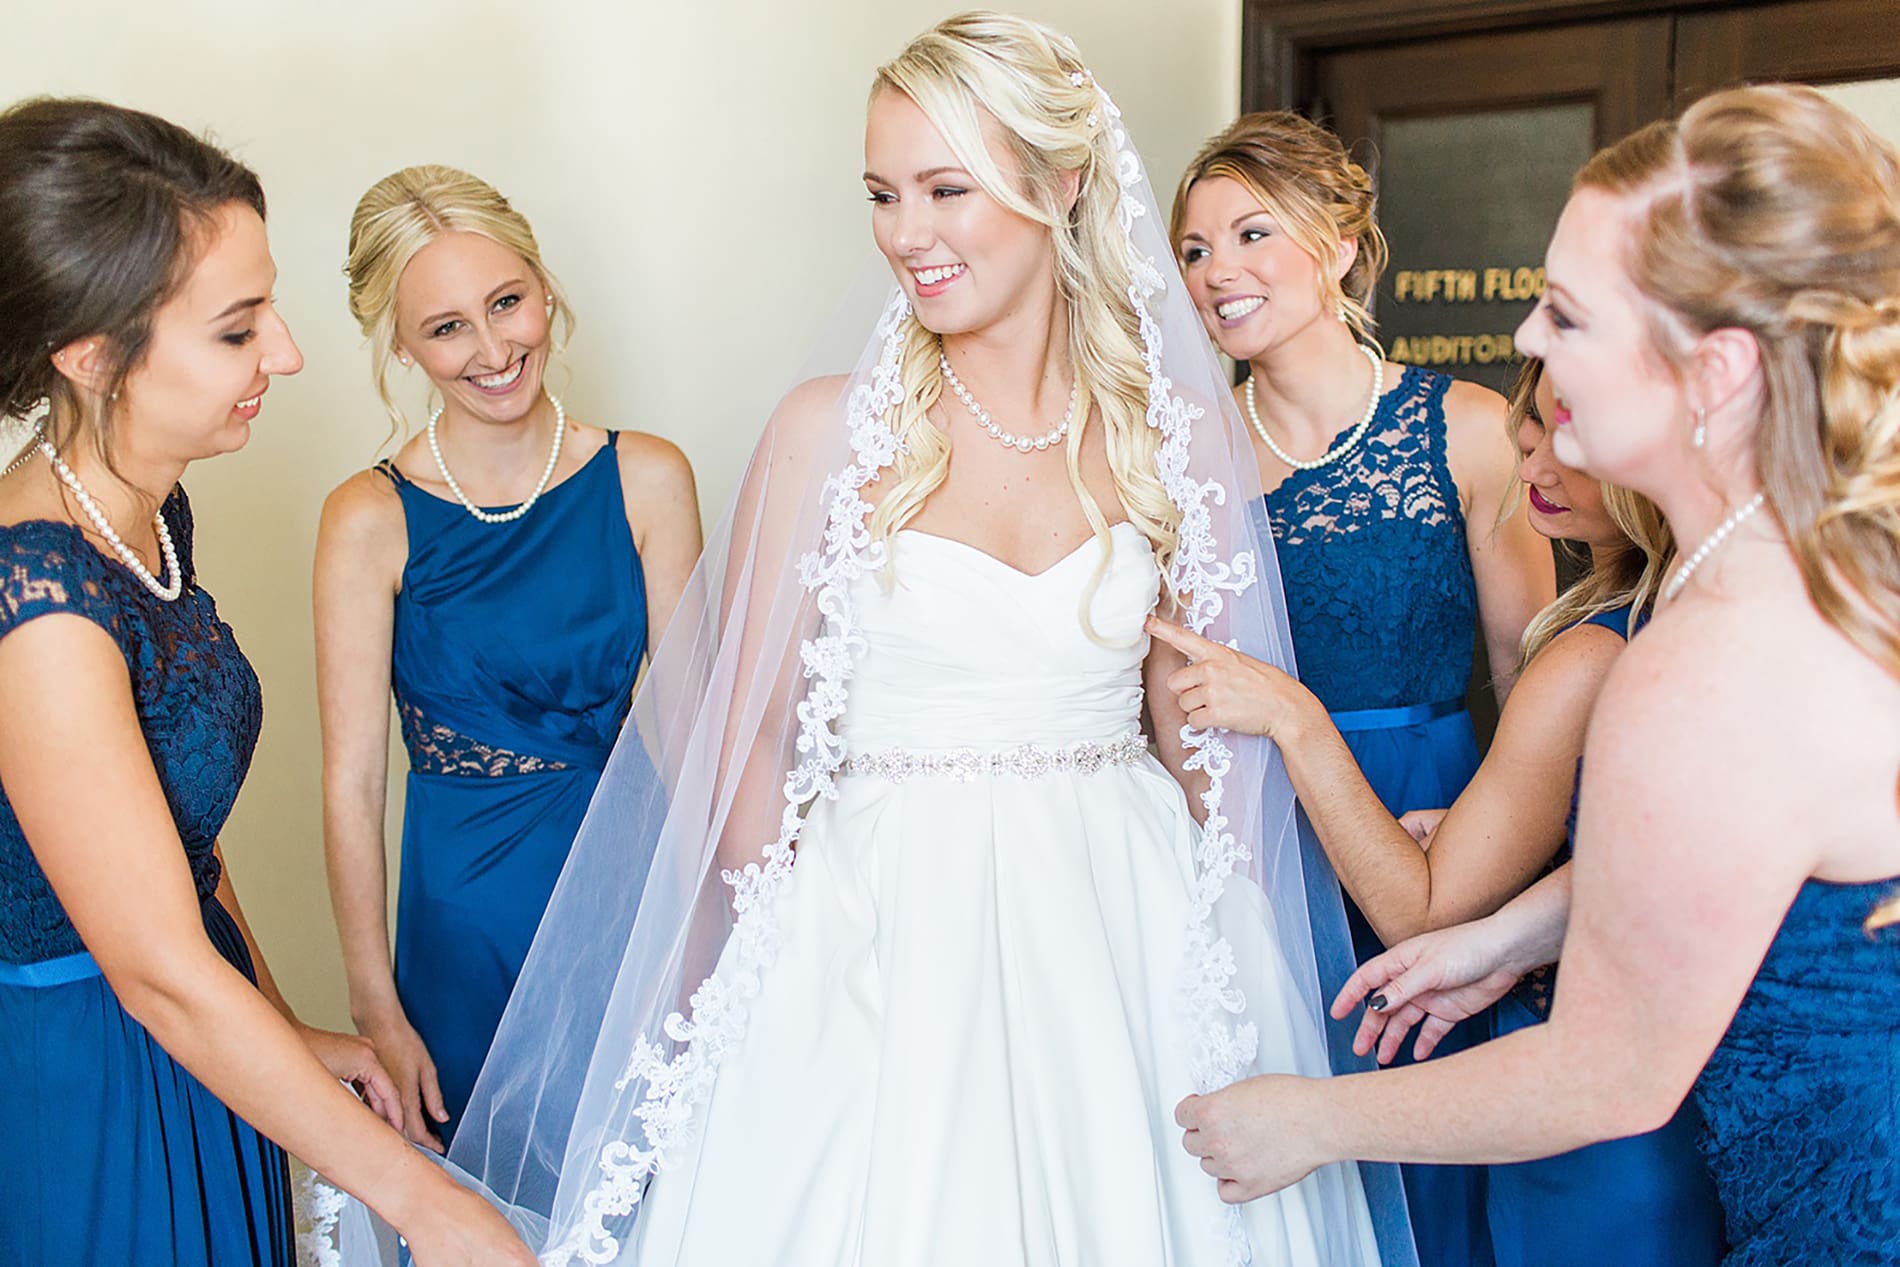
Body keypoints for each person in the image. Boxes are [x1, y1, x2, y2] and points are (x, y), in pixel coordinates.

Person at [303, 12, 1403, 1266]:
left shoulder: (1170, 435)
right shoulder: (827, 431)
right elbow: (746, 738)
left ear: (1062, 185)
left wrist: (1233, 943)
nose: (905, 234)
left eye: (946, 188)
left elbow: (1188, 728)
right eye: (883, 193)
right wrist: (804, 949)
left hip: (1122, 933)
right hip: (869, 931)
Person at [1175, 84, 1900, 1266]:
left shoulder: (1700, 662)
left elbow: (1605, 1072)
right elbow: (1749, 853)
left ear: (1712, 371)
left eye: (1566, 316)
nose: (1525, 345)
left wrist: (1306, 1118)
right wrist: (1507, 934)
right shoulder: (1779, 569)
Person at [0, 98, 533, 1267]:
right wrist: (431, 1206)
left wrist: (286, 1037)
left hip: (204, 1042)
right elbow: (155, 967)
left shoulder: (147, 511)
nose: (286, 353)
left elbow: (176, 837)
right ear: (93, 355)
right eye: (238, 330)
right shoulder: (36, 605)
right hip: (92, 1083)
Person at [1150, 357, 1724, 1265]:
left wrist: (1295, 717)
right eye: (1524, 438)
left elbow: (1420, 912)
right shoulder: (1692, 612)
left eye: (1562, 440)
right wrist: (1511, 901)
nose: (1529, 467)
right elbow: (1677, 852)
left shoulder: (1586, 660)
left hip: (1585, 1115)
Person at [1170, 108, 1555, 1267]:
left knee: (1434, 1144)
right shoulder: (1180, 462)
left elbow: (1529, 673)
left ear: (1340, 241)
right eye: (1192, 251)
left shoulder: (1469, 431)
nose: (1217, 272)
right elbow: (1167, 698)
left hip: (1441, 821)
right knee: (1284, 1138)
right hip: (1256, 832)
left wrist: (1496, 856)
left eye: (1250, 233)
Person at [315, 166, 701, 1150]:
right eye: (447, 327)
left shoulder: (647, 477)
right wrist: (376, 1005)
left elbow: (702, 730)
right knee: (479, 1206)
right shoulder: (367, 518)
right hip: (461, 922)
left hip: (629, 890)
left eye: (506, 303)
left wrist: (723, 926)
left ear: (544, 286)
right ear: (399, 343)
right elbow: (352, 782)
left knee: (647, 1192)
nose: (492, 350)